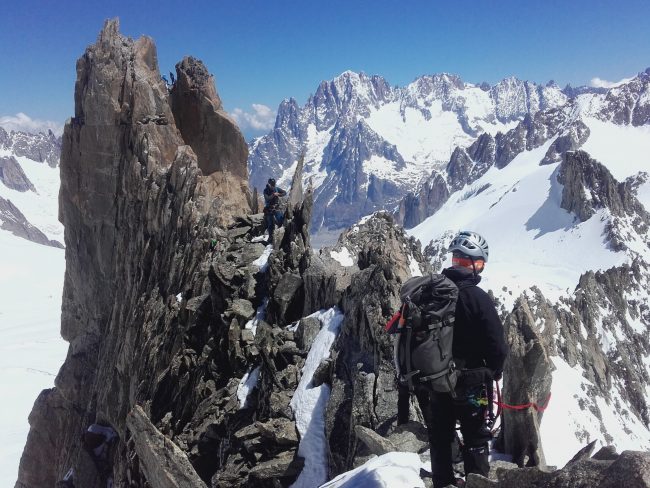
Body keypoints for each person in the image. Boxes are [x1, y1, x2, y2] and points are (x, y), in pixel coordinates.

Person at [416, 231, 507, 488]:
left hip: (436, 377)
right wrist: (494, 371)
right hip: (471, 381)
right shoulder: (477, 298)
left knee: (441, 434)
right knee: (476, 437)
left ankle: (443, 482)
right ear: (475, 263)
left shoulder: (431, 293)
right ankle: (476, 482)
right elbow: (497, 345)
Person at [263, 178, 286, 243]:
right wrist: (273, 195)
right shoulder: (265, 190)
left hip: (276, 208)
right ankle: (270, 237)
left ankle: (281, 235)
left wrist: (279, 194)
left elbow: (285, 192)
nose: (273, 186)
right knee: (270, 224)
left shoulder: (276, 189)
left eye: (274, 184)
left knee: (280, 220)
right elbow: (267, 199)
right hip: (269, 209)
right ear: (269, 184)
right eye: (272, 185)